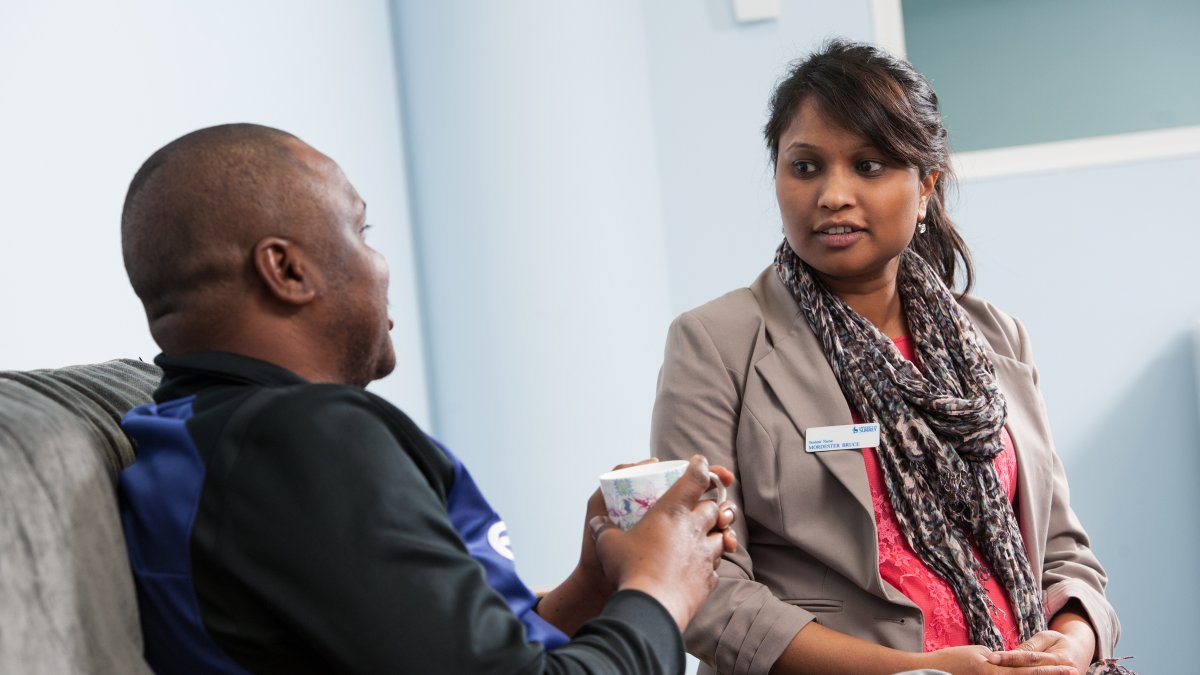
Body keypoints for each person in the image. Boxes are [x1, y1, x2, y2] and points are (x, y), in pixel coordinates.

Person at [117, 123, 737, 674]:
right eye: (362, 231)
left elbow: (458, 651)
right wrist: (659, 589)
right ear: (287, 271)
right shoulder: (305, 439)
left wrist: (596, 588)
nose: (382, 265)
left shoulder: (197, 433)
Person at [650, 40, 1129, 675]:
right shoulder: (715, 343)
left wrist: (1072, 640)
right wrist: (917, 672)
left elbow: (1064, 554)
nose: (833, 194)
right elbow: (703, 589)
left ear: (927, 186)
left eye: (869, 166)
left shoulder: (997, 339)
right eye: (806, 167)